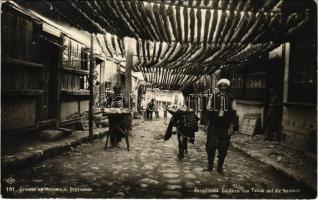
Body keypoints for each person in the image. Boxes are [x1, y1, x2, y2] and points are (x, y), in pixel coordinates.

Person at [204, 78, 238, 174]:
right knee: (210, 147)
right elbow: (208, 111)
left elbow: (234, 113)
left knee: (223, 148)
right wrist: (207, 124)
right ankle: (210, 166)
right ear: (218, 87)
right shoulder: (213, 97)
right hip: (213, 127)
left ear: (227, 87)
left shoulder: (231, 98)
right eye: (221, 86)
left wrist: (232, 126)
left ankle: (220, 168)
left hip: (225, 127)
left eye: (225, 86)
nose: (223, 87)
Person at [106, 83, 127, 148]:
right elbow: (107, 106)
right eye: (116, 90)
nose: (117, 91)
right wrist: (109, 108)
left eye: (118, 90)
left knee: (120, 128)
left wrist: (123, 108)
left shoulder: (122, 98)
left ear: (120, 90)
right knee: (112, 128)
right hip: (112, 116)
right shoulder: (110, 97)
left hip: (120, 116)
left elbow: (125, 106)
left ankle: (118, 142)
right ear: (114, 90)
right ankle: (112, 143)